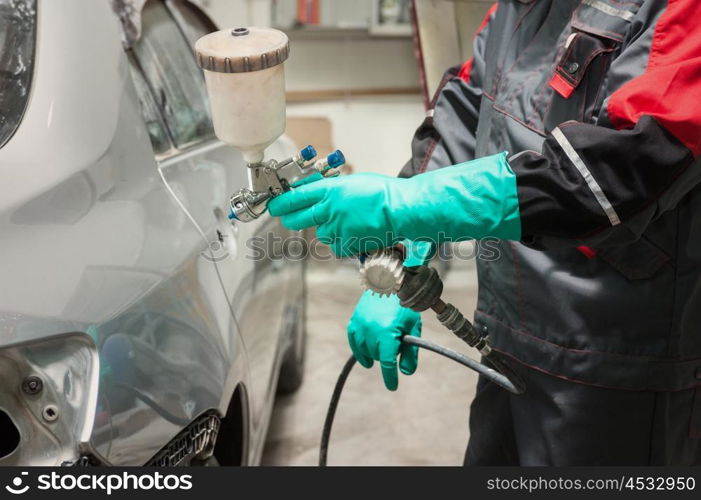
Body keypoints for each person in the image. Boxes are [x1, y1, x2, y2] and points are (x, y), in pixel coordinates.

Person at [268, 0, 701, 465]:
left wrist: (405, 204)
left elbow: (616, 175)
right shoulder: (517, 9)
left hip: (614, 367)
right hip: (503, 336)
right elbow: (465, 109)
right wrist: (405, 254)